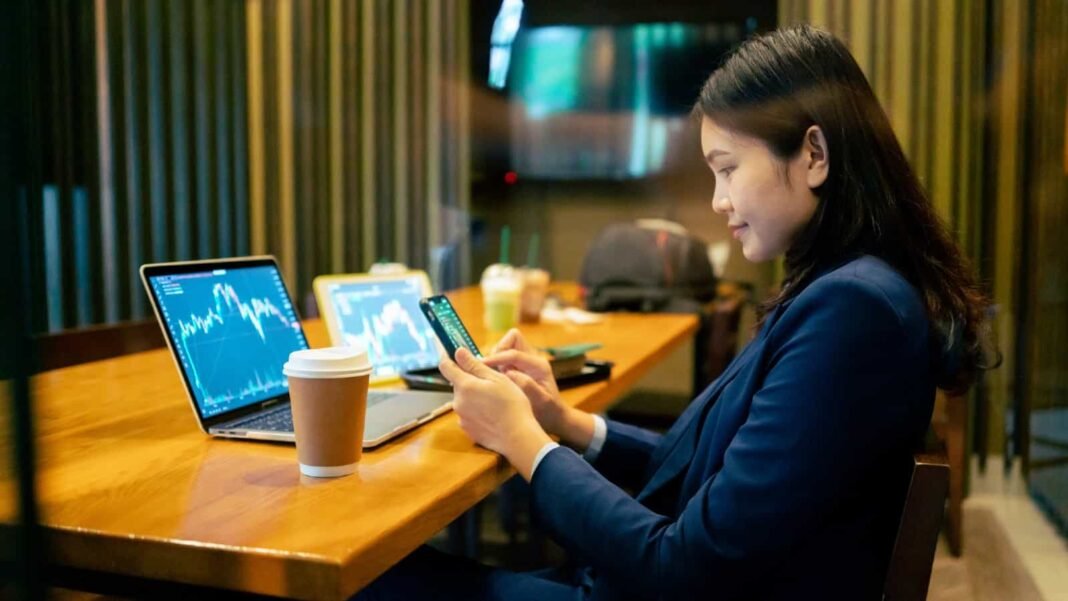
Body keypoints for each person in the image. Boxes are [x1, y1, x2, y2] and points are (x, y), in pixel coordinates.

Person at [356, 24, 994, 600]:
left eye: (728, 169)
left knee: (363, 579)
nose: (717, 200)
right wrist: (564, 423)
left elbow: (685, 566)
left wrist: (522, 441)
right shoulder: (853, 288)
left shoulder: (852, 310)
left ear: (814, 155)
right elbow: (722, 470)